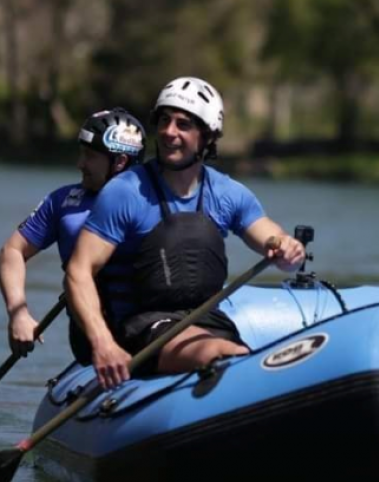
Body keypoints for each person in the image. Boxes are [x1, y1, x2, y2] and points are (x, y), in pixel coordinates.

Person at [66, 76, 305, 390]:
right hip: (139, 328)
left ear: (207, 137)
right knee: (214, 350)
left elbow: (268, 235)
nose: (168, 132)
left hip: (206, 321)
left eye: (183, 125)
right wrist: (102, 343)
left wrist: (285, 247)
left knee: (222, 344)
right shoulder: (125, 192)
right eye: (164, 121)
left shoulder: (227, 193)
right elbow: (79, 270)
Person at [0, 108, 146, 363]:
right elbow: (12, 251)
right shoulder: (63, 201)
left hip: (147, 324)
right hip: (88, 332)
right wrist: (18, 312)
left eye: (89, 156)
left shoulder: (154, 201)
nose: (80, 164)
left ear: (120, 161)